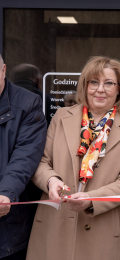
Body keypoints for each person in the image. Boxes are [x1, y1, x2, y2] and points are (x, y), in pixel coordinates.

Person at [26, 56, 120, 260]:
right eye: (94, 82)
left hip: (101, 226)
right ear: (85, 86)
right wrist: (51, 180)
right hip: (55, 222)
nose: (100, 89)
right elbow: (41, 162)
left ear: (119, 89)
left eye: (109, 83)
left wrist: (92, 199)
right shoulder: (61, 117)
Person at [0, 55, 47, 259]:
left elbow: (25, 157)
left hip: (8, 224)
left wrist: (5, 193)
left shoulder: (28, 103)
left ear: (3, 70)